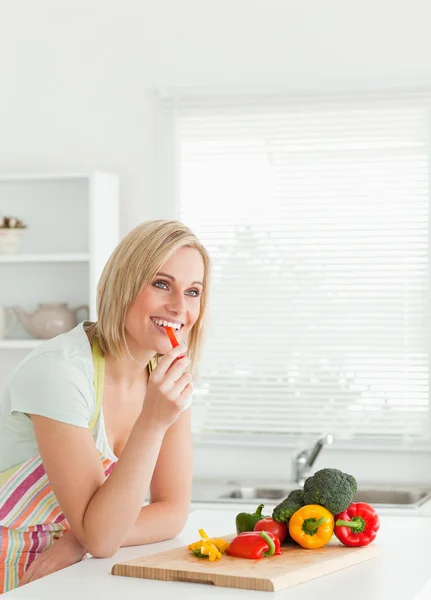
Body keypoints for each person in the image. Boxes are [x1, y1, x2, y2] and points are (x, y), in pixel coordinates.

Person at [0, 220, 211, 593]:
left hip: (78, 568)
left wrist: (78, 539)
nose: (180, 306)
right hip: (14, 569)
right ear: (123, 286)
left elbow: (172, 511)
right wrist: (154, 419)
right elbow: (102, 537)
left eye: (193, 291)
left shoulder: (166, 376)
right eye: (162, 284)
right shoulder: (60, 373)